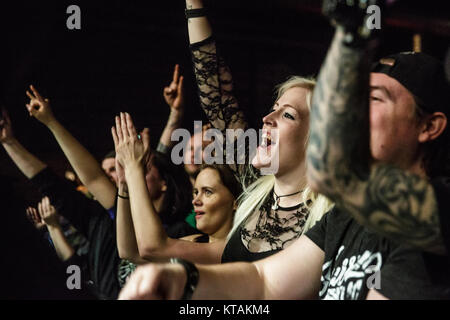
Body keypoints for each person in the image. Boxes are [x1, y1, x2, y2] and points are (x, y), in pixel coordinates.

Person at [118, 1, 450, 300]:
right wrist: (182, 280)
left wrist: (350, 38)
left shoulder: (436, 211)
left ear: (428, 127)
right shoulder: (343, 219)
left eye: (373, 100)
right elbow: (264, 281)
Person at [150, 0, 332, 265]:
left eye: (288, 114)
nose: (267, 119)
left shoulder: (329, 216)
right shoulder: (254, 187)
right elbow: (218, 97)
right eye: (274, 109)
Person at [113, 112, 241, 264]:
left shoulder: (233, 249)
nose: (196, 201)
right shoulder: (195, 240)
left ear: (236, 201)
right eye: (195, 192)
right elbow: (129, 251)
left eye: (207, 192)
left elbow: (152, 247)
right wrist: (124, 184)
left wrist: (134, 168)